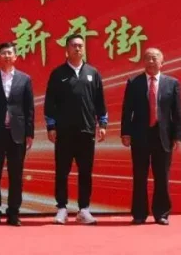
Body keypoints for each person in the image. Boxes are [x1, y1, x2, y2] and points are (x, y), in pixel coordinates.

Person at [45, 34, 107, 225]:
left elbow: (100, 102)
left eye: (80, 45)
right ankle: (62, 208)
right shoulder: (58, 74)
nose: (77, 48)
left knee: (85, 172)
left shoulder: (92, 73)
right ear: (67, 49)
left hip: (86, 130)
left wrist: (102, 124)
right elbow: (50, 103)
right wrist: (51, 126)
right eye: (74, 45)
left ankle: (84, 209)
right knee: (62, 171)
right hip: (64, 132)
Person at [121, 48, 181, 225]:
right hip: (140, 134)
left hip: (163, 135)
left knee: (162, 176)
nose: (150, 62)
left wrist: (177, 136)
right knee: (140, 175)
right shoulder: (134, 82)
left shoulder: (172, 83)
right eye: (147, 58)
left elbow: (177, 112)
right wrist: (125, 132)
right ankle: (139, 213)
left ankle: (161, 213)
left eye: (154, 58)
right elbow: (127, 110)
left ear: (162, 62)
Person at [0, 42, 34, 226]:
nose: (7, 56)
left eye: (10, 53)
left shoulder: (24, 79)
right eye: (3, 53)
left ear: (15, 56)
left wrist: (29, 133)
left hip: (17, 133)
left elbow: (29, 108)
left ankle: (13, 212)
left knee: (16, 174)